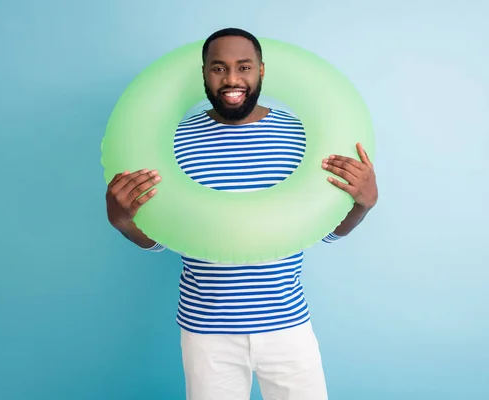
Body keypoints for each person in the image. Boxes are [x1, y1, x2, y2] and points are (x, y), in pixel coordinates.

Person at [105, 28, 378, 400]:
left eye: (243, 67)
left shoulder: (301, 137)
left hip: (287, 325)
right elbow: (162, 237)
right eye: (218, 68)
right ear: (203, 73)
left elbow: (325, 229)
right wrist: (123, 222)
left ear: (262, 71)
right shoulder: (173, 143)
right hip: (207, 332)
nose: (232, 79)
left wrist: (363, 203)